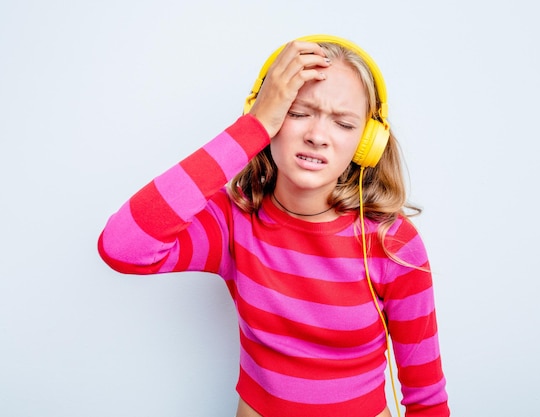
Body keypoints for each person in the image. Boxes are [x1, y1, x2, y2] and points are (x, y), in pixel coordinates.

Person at [98, 34, 450, 417]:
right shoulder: (233, 221)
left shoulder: (392, 242)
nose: (317, 136)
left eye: (344, 124)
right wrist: (253, 127)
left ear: (367, 143)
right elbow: (121, 247)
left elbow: (427, 398)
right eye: (297, 113)